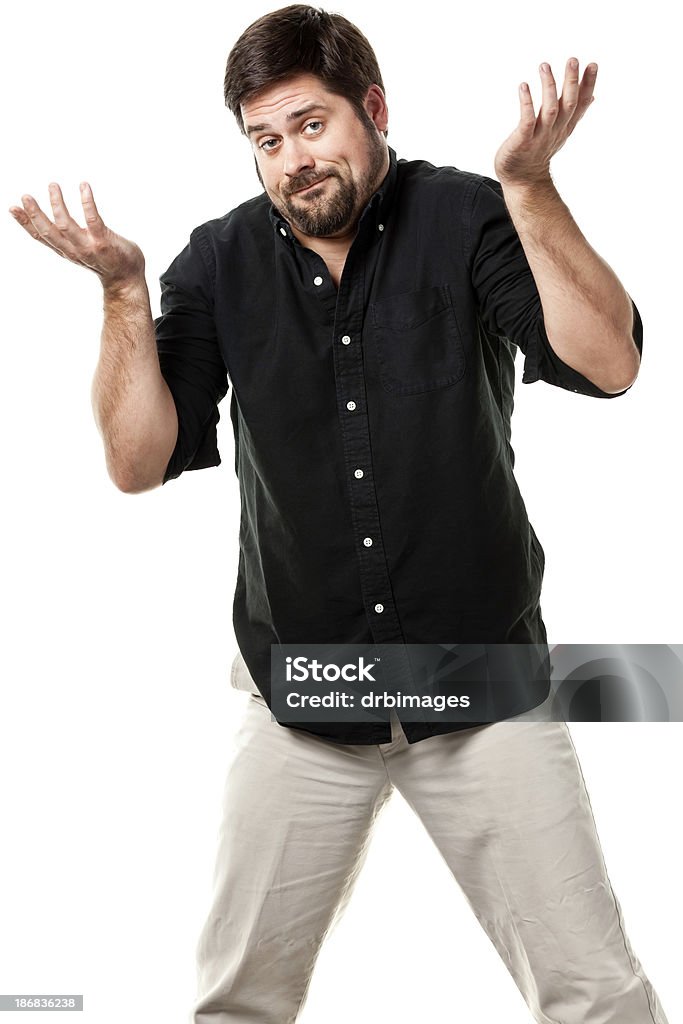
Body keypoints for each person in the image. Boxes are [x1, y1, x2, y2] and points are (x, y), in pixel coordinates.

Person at [9, 5, 669, 1022]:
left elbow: (609, 361)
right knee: (236, 1005)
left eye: (310, 126)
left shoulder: (466, 215)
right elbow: (136, 463)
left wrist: (530, 189)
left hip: (481, 682)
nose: (290, 161)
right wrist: (121, 292)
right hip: (301, 699)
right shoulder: (218, 261)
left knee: (598, 998)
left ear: (373, 108)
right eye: (264, 141)